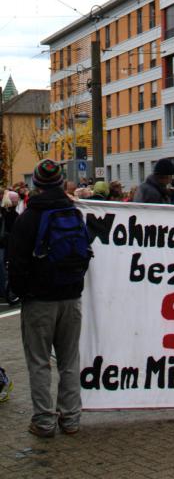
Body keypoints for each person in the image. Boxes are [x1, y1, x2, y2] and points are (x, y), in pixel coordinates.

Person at [8, 159, 90, 436]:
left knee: (39, 361)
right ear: (59, 183)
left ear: (37, 184)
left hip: (39, 300)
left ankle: (43, 421)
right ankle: (71, 418)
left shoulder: (28, 217)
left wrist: (22, 292)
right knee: (69, 360)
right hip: (71, 295)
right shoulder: (73, 212)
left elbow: (17, 262)